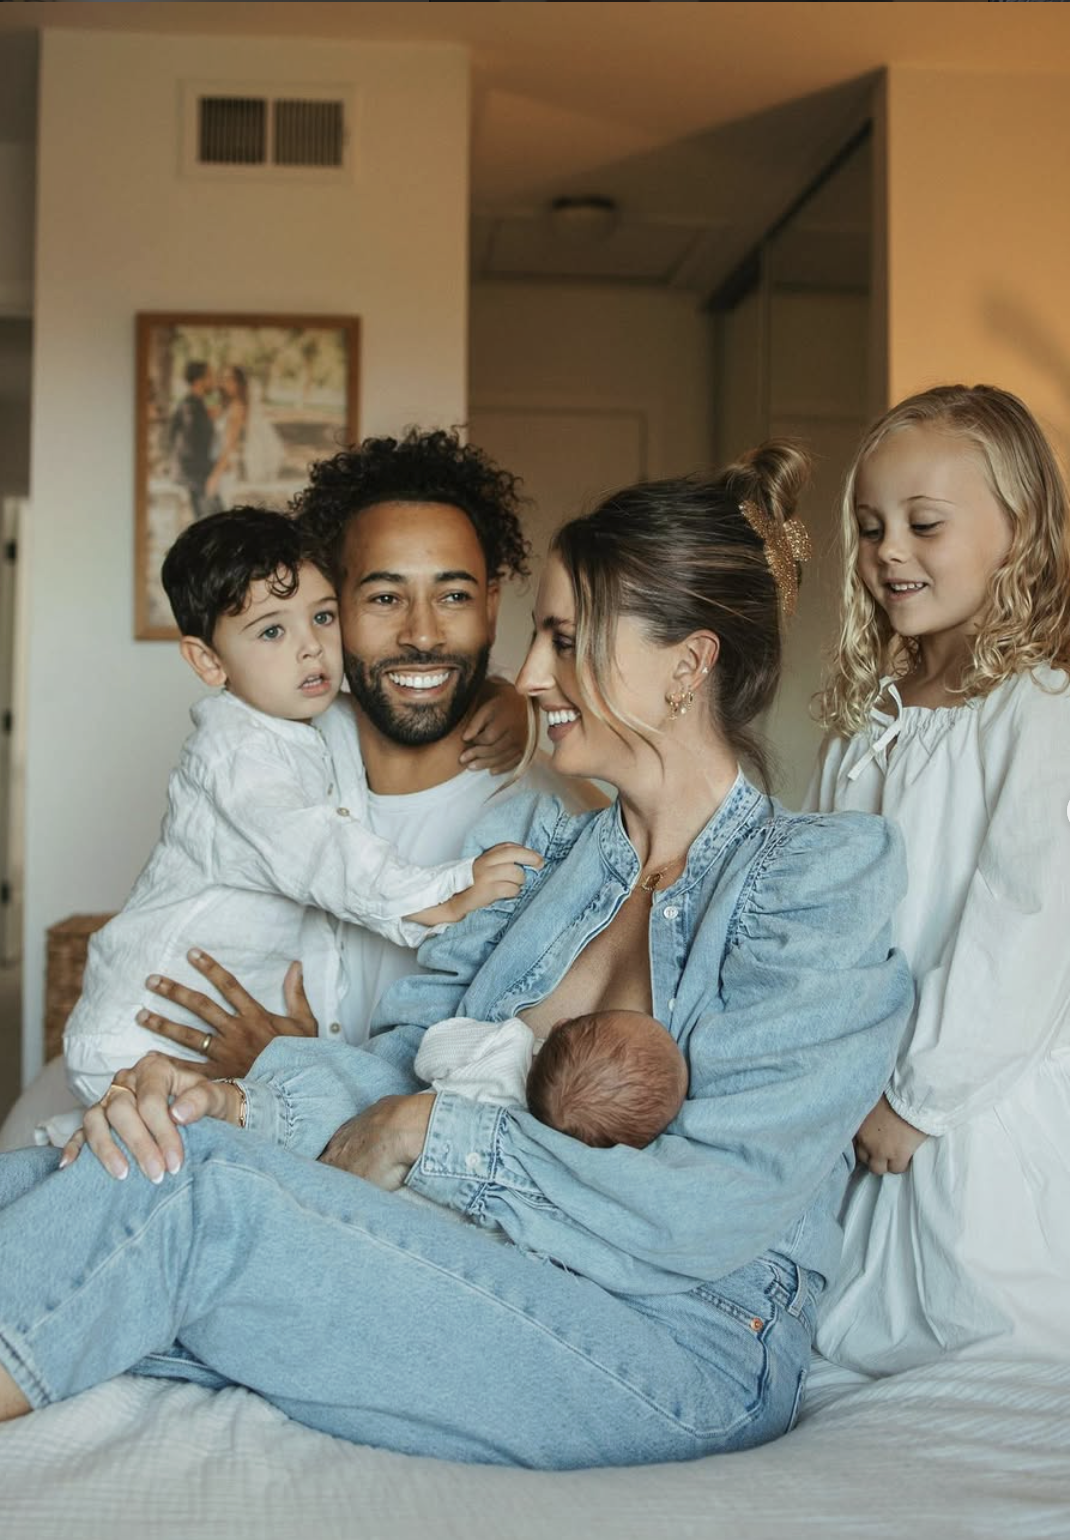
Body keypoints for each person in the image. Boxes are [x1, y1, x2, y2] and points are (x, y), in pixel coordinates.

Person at [0, 441, 913, 1470]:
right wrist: (235, 1104)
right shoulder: (535, 851)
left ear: (686, 665)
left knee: (199, 1195)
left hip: (682, 1343)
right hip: (486, 1267)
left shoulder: (813, 881)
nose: (529, 675)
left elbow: (718, 1199)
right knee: (73, 1168)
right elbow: (400, 1067)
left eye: (565, 640)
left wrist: (432, 1133)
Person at [134, 427, 605, 1081]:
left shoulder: (562, 825)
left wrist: (291, 1068)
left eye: (454, 596)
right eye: (384, 598)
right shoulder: (272, 763)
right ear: (330, 608)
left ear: (491, 608)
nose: (422, 635)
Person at [61, 505, 541, 1109]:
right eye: (272, 632)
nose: (311, 648)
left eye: (321, 617)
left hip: (208, 1053)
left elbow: (406, 692)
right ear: (208, 661)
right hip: (143, 1037)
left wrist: (506, 699)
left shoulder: (311, 718)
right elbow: (322, 851)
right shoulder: (237, 754)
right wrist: (446, 893)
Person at [806, 383, 1070, 1374]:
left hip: (971, 1102)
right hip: (863, 1089)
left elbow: (1024, 922)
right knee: (841, 1341)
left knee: (980, 1350)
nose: (888, 552)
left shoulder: (1037, 707)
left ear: (1019, 528)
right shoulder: (870, 711)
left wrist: (920, 1097)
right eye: (871, 527)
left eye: (923, 524)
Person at [414, 1007, 689, 1149]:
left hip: (421, 1139)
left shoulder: (507, 1043)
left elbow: (429, 1055)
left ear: (561, 1024)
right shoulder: (543, 1150)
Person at [167, 360, 216, 522]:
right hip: (196, 477)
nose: (213, 381)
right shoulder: (191, 407)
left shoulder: (193, 404)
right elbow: (190, 446)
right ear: (199, 381)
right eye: (209, 376)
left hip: (196, 475)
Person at [204, 363, 248, 508]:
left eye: (230, 379)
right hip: (216, 464)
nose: (225, 382)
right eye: (223, 378)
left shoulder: (237, 408)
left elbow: (230, 446)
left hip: (225, 470)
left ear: (239, 383)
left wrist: (215, 476)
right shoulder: (226, 405)